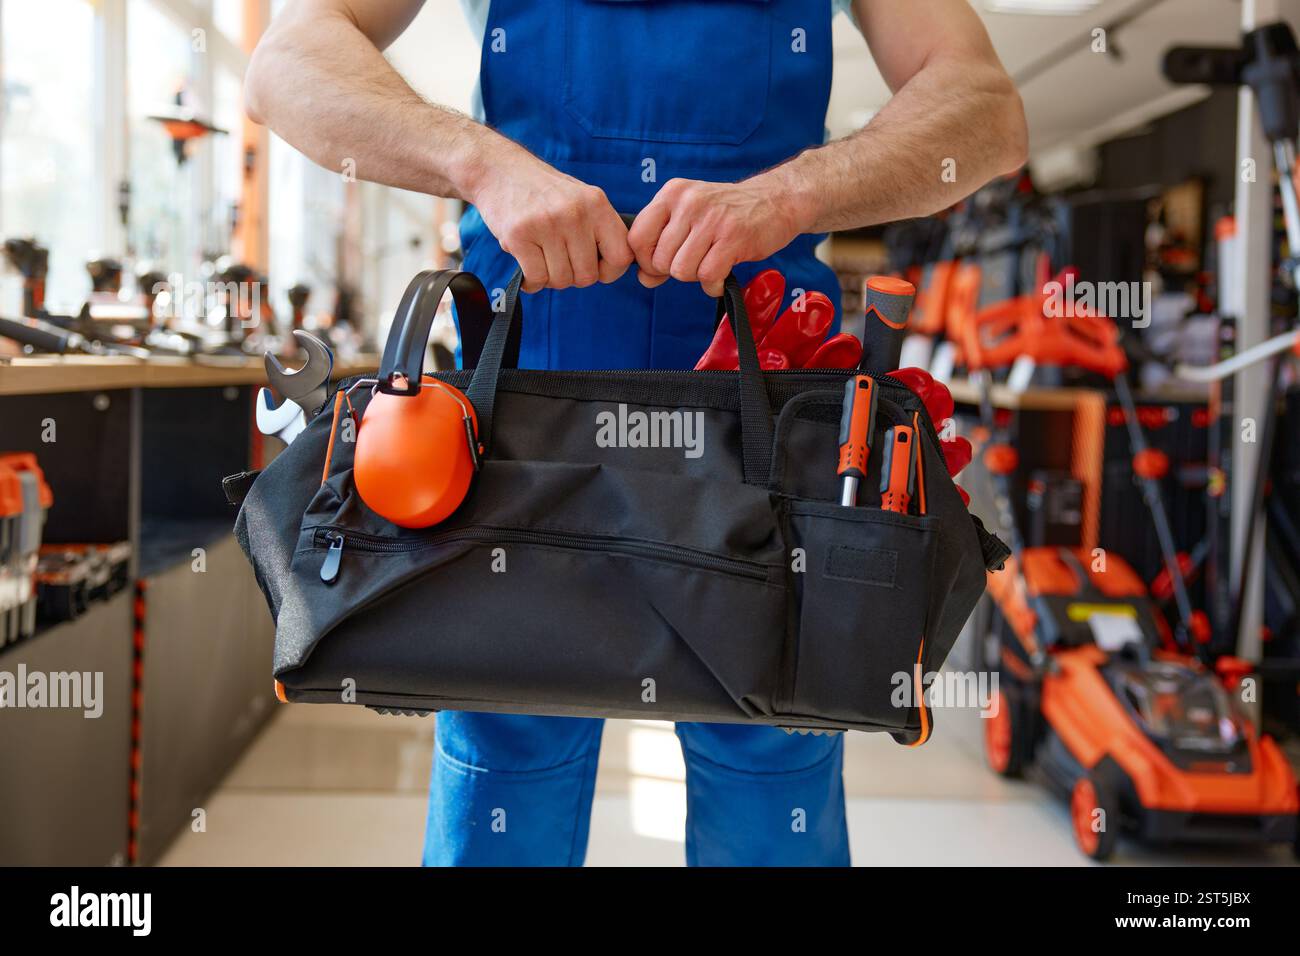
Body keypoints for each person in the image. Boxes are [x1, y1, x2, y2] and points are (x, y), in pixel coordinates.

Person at [246, 0, 1027, 866]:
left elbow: (985, 110)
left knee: (772, 765)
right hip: (519, 425)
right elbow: (287, 63)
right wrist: (482, 164)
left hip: (766, 420)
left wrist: (791, 194)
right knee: (507, 756)